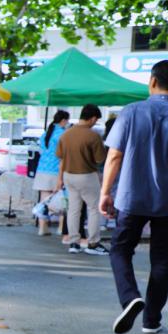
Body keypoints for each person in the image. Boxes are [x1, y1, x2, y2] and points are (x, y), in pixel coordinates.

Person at [101, 60, 168, 334]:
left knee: (120, 250)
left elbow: (114, 156)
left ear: (152, 81)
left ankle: (130, 297)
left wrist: (105, 192)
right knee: (162, 259)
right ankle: (151, 320)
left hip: (131, 197)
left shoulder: (130, 112)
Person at [55, 103, 107, 255]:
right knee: (93, 209)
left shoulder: (65, 134)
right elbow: (100, 159)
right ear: (93, 118)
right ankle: (93, 243)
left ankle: (74, 242)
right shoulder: (93, 136)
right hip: (87, 175)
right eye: (96, 120)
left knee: (73, 209)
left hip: (68, 176)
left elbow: (60, 157)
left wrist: (60, 179)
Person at [34, 110, 70, 237]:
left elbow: (42, 150)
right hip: (57, 170)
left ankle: (42, 228)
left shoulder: (46, 134)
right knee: (63, 199)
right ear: (63, 120)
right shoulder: (64, 134)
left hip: (42, 169)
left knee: (44, 201)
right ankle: (61, 227)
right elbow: (65, 154)